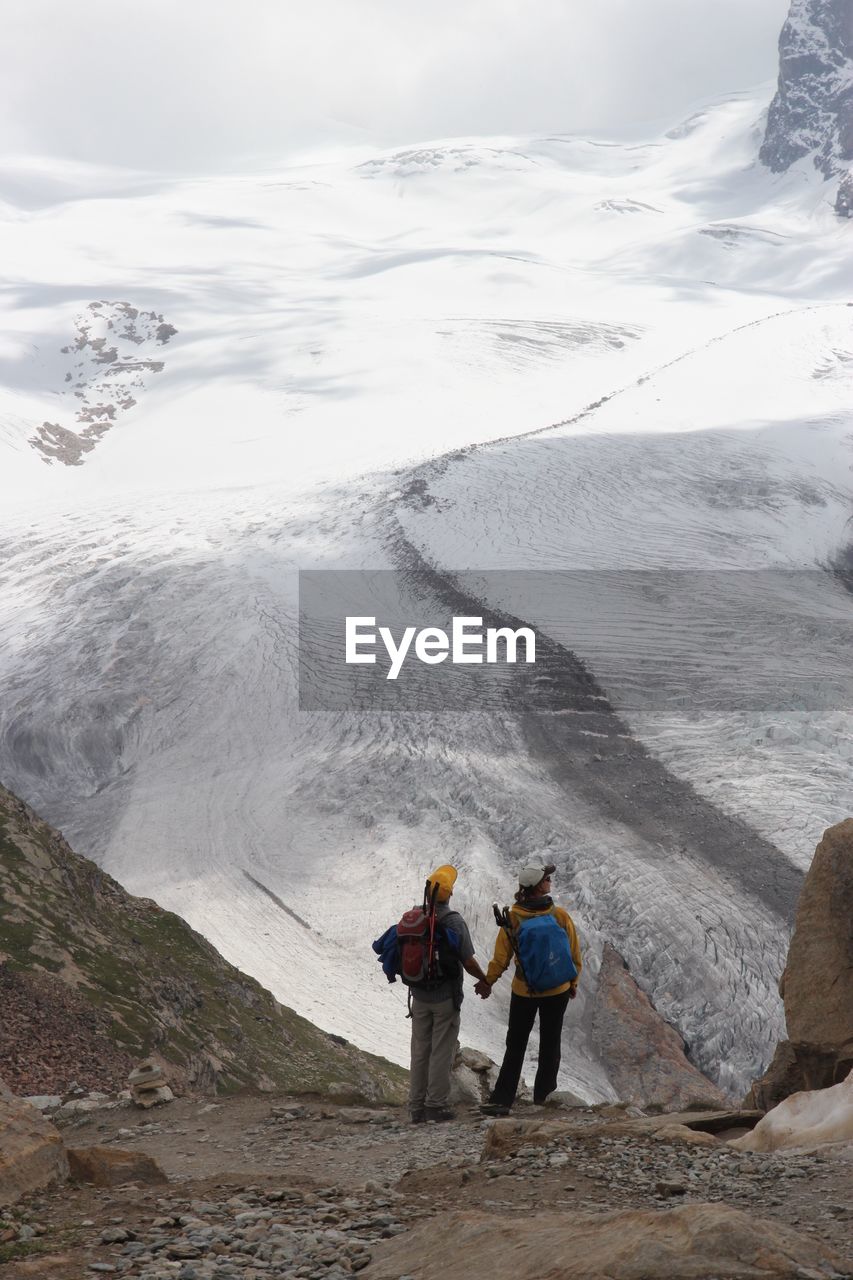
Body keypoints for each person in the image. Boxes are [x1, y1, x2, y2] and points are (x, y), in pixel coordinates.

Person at [474, 862, 582, 1112]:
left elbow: (501, 958)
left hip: (525, 991)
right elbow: (574, 952)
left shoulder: (513, 918)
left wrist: (488, 981)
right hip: (558, 990)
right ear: (537, 886)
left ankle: (501, 1101)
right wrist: (572, 982)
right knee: (551, 1042)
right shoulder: (559, 915)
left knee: (516, 1043)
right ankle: (544, 1099)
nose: (550, 882)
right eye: (547, 879)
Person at [407, 864, 490, 1124]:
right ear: (450, 894)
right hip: (445, 998)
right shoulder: (453, 921)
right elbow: (468, 960)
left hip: (419, 995)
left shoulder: (414, 916)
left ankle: (416, 1106)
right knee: (441, 1051)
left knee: (420, 1050)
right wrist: (485, 980)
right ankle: (435, 1106)